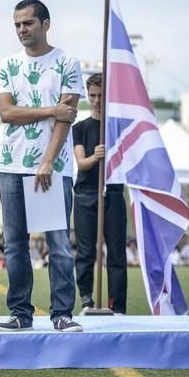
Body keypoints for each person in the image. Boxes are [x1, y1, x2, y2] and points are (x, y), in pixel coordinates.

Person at [0, 0, 84, 332]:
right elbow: (7, 113)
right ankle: (20, 313)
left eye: (28, 23)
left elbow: (68, 117)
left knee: (58, 243)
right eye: (17, 24)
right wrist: (50, 110)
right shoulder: (7, 65)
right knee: (15, 244)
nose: (21, 30)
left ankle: (63, 314)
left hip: (52, 167)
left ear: (45, 23)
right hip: (12, 164)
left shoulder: (67, 62)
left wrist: (47, 161)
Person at [72, 73, 127, 315]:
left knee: (116, 252)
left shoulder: (117, 127)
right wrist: (96, 156)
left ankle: (118, 305)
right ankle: (86, 300)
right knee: (85, 252)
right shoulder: (80, 128)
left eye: (101, 96)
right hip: (85, 194)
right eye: (92, 95)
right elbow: (81, 163)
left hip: (113, 191)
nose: (96, 100)